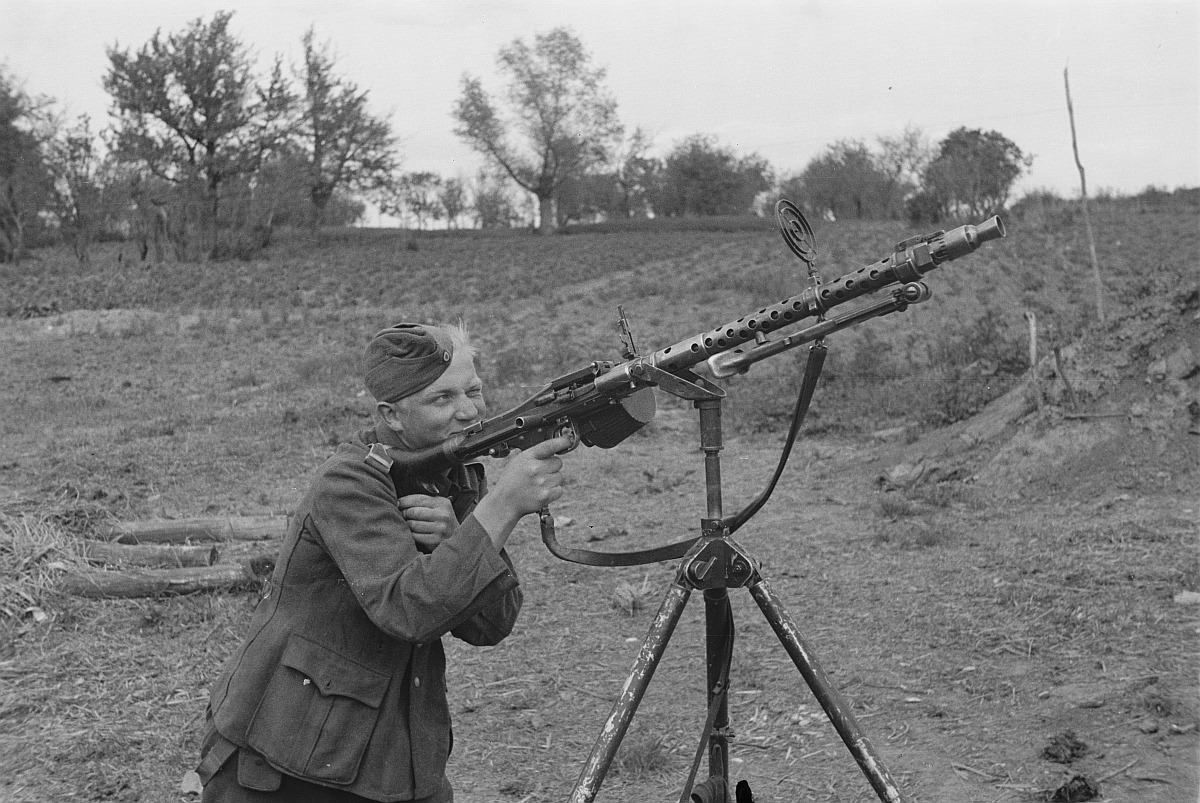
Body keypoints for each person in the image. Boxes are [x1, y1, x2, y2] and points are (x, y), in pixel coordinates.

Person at [196, 322, 568, 802]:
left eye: (473, 390)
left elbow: (493, 625)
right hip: (283, 759)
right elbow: (409, 610)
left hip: (389, 754)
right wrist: (501, 507)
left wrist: (459, 537)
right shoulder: (349, 482)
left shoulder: (449, 473)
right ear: (392, 415)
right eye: (442, 399)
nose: (469, 411)